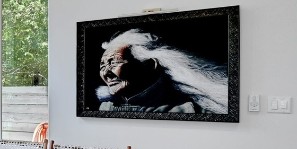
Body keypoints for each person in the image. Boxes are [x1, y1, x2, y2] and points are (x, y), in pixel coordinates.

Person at [96, 29, 228, 114]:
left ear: (149, 65)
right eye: (102, 66)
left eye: (114, 63)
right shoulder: (105, 108)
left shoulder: (192, 110)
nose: (106, 73)